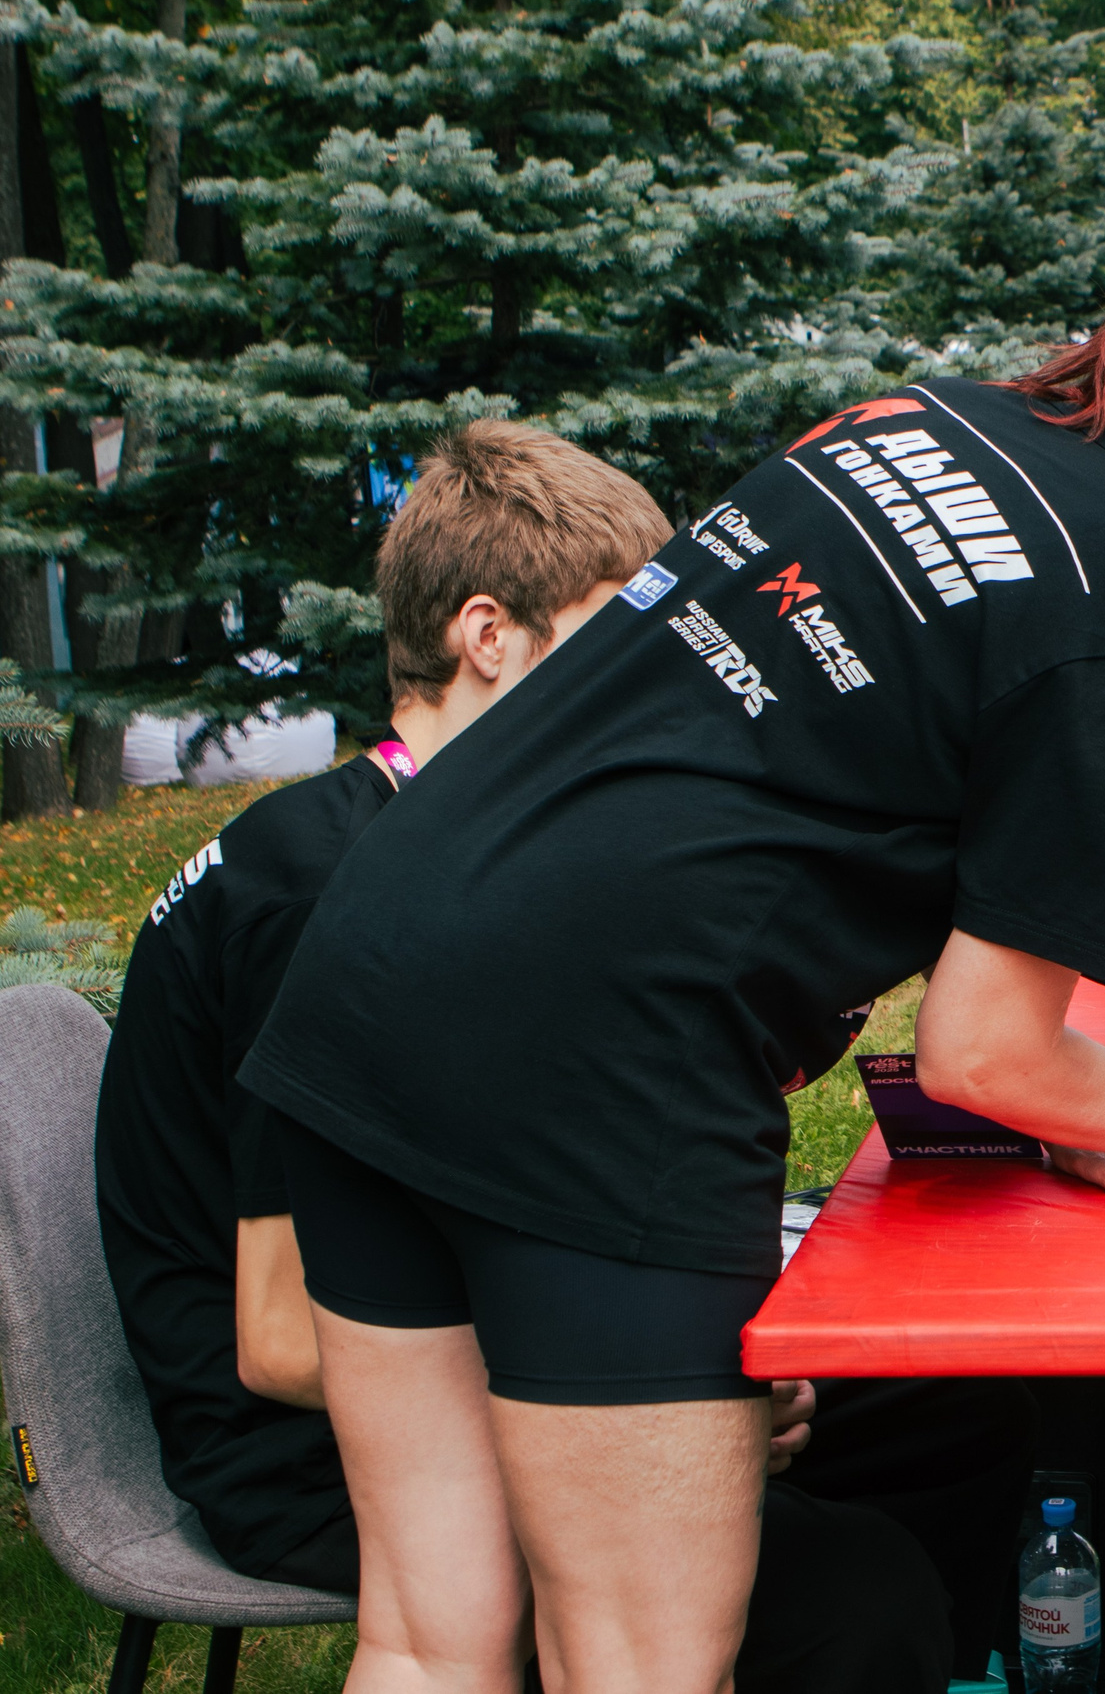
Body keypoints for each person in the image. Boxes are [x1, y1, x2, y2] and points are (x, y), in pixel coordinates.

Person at [235, 278, 1105, 1691]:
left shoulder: (939, 419)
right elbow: (982, 1052)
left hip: (378, 951)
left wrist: (1081, 1102)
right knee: (642, 1663)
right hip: (606, 1053)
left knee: (429, 1635)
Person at [93, 420, 1033, 1692]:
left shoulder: (448, 855)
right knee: (859, 1603)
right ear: (488, 637)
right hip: (312, 1455)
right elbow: (279, 1337)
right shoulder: (338, 896)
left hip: (489, 1335)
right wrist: (666, 1403)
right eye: (621, 636)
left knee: (954, 1399)